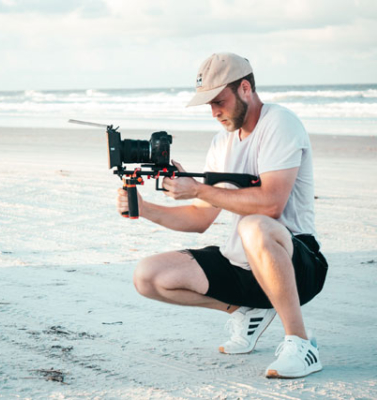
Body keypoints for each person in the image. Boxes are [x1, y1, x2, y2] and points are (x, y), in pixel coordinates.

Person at [116, 52, 328, 379]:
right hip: (243, 266)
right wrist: (145, 209)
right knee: (147, 275)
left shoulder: (280, 123)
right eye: (209, 105)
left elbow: (271, 204)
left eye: (219, 101)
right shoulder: (221, 142)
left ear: (245, 88)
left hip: (298, 263)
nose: (214, 112)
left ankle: (301, 344)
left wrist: (199, 189)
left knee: (256, 226)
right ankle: (247, 311)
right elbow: (201, 219)